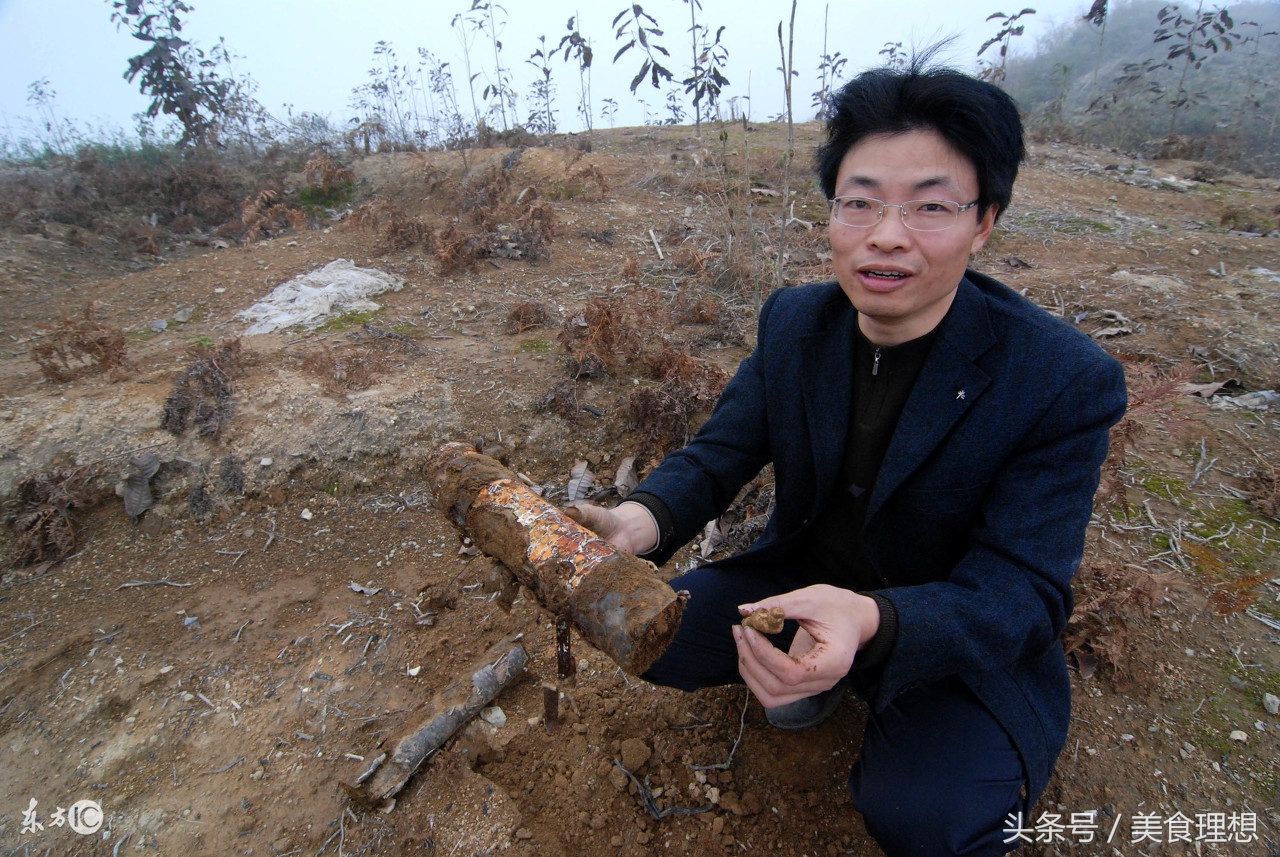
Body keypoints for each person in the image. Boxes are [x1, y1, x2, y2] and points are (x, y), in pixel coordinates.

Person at [567, 59, 1127, 856]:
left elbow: (1024, 589)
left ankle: (873, 681)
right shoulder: (797, 322)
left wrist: (873, 619)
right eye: (859, 202)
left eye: (930, 206)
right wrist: (638, 519)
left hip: (947, 631)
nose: (886, 234)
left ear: (985, 220)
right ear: (831, 210)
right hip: (798, 582)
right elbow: (722, 450)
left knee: (921, 814)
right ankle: (814, 680)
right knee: (652, 632)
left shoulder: (1060, 379)